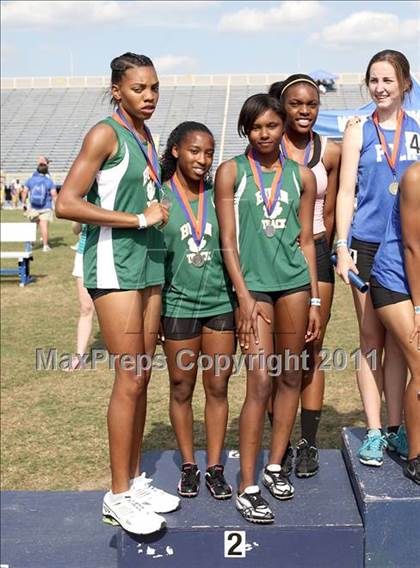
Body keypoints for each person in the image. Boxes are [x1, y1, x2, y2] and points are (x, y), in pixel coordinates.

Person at [55, 52, 179, 535]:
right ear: (116, 90)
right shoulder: (104, 133)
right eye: (138, 89)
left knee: (142, 376)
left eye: (153, 88)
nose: (148, 97)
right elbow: (68, 203)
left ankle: (134, 480)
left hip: (147, 264)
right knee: (129, 378)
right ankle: (118, 495)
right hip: (114, 267)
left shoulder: (145, 135)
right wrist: (136, 219)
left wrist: (153, 212)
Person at [215, 94, 321, 524]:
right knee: (259, 380)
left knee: (291, 374)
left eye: (272, 126)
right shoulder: (231, 172)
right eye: (256, 127)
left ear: (283, 128)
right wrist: (242, 296)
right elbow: (227, 240)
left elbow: (308, 242)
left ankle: (275, 465)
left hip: (295, 285)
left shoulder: (302, 177)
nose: (265, 134)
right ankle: (248, 484)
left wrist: (314, 298)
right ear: (246, 129)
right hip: (254, 290)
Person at [335, 49, 419, 467]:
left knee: (403, 346)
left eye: (388, 80)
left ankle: (397, 427)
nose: (381, 88)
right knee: (371, 340)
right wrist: (340, 246)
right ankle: (372, 431)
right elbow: (345, 192)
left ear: (405, 83)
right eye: (374, 80)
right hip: (366, 246)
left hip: (406, 248)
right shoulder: (357, 130)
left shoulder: (418, 130)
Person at [268, 74, 341, 478]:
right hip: (270, 259)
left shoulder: (330, 152)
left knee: (311, 350)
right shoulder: (265, 146)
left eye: (311, 104)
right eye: (296, 104)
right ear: (282, 106)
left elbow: (328, 213)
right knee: (276, 358)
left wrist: (322, 250)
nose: (304, 111)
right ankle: (277, 442)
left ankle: (308, 443)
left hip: (314, 254)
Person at [159, 121, 236, 500]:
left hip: (221, 305)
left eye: (208, 153)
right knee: (181, 386)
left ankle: (216, 467)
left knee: (218, 386)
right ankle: (189, 465)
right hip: (177, 306)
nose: (203, 160)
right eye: (194, 151)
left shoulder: (219, 196)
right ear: (176, 150)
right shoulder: (159, 198)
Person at [370, 162, 420, 485]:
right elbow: (413, 247)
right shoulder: (415, 177)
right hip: (396, 282)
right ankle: (415, 457)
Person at [65, 221, 95, 372]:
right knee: (86, 307)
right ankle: (80, 355)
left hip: (113, 256)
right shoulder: (83, 197)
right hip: (84, 254)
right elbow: (75, 230)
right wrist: (79, 218)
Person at [21, 157, 57, 251]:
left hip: (33, 207)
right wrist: (56, 205)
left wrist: (23, 203)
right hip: (46, 206)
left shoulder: (31, 179)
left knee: (32, 226)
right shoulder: (48, 180)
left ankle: (30, 245)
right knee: (43, 226)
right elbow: (54, 194)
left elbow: (24, 191)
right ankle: (45, 246)